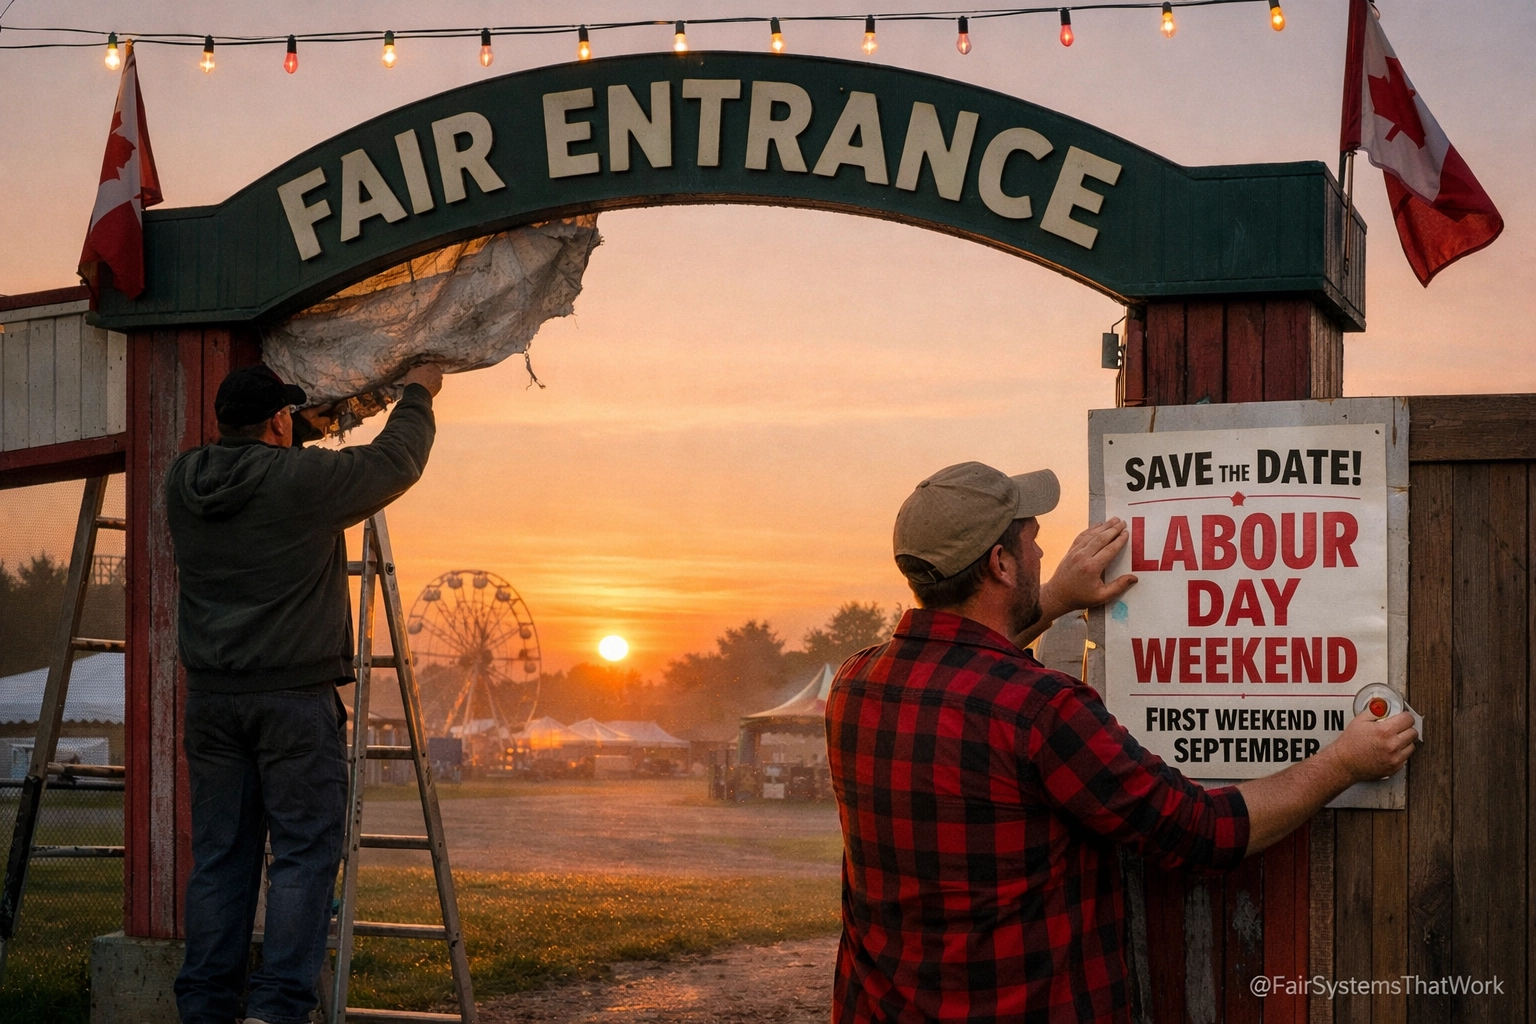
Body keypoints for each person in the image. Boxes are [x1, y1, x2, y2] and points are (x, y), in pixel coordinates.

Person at [826, 461, 1418, 1024]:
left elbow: (964, 666)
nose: (1042, 552)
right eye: (1033, 538)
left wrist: (1054, 597)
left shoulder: (855, 684)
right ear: (1002, 563)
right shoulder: (1045, 710)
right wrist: (1345, 760)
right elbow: (1205, 831)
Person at [165, 362, 444, 1024]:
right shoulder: (299, 482)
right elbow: (393, 464)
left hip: (210, 701)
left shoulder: (182, 482)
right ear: (278, 422)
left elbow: (261, 462)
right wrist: (418, 396)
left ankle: (205, 1008)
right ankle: (277, 1008)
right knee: (299, 856)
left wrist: (301, 429)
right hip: (293, 697)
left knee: (221, 861)